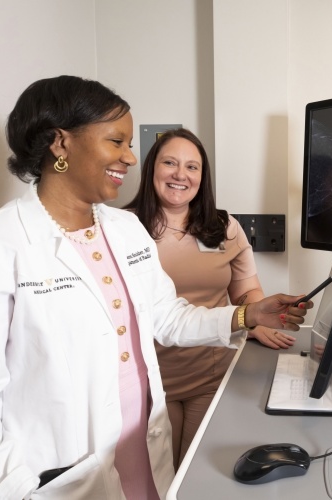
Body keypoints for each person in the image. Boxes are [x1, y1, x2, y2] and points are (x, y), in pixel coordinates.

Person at [0, 76, 311, 500]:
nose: (130, 156)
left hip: (144, 450)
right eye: (116, 141)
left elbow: (167, 317)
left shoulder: (125, 229)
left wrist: (248, 314)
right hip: (63, 479)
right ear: (60, 143)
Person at [124, 128, 296, 469]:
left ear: (202, 177)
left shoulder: (223, 227)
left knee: (198, 471)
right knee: (158, 477)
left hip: (211, 374)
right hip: (151, 381)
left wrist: (256, 320)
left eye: (192, 167)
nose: (180, 175)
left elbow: (246, 290)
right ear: (151, 168)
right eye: (170, 163)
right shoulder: (123, 229)